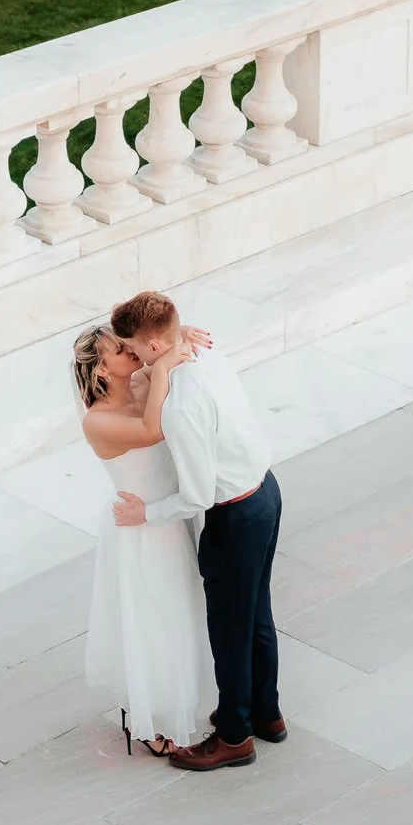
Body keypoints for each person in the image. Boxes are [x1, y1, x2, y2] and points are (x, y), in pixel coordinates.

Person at [110, 290, 283, 771]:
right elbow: (163, 342)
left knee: (229, 631)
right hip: (266, 491)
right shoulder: (205, 351)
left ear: (151, 346)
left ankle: (234, 736)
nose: (134, 357)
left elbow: (198, 495)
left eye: (134, 348)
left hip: (235, 516)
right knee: (257, 615)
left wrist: (145, 514)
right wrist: (170, 347)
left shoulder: (180, 405)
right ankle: (266, 714)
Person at [73, 322, 216, 756]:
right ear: (101, 370)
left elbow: (155, 341)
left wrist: (173, 336)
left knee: (182, 613)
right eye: (117, 349)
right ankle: (147, 718)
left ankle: (180, 699)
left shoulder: (140, 382)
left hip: (169, 516)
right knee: (152, 622)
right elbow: (154, 430)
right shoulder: (98, 421)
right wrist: (166, 365)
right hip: (139, 531)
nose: (127, 350)